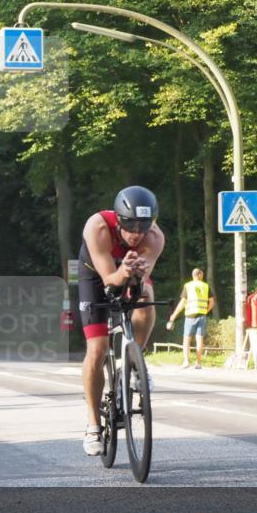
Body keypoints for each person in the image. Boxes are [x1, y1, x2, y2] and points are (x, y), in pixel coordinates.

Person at [79, 186, 165, 456]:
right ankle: (93, 424)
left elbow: (137, 284)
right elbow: (110, 281)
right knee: (98, 348)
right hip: (96, 275)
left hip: (129, 271)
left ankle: (135, 361)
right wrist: (122, 271)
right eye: (130, 226)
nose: (137, 234)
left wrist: (135, 275)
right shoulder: (98, 227)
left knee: (146, 294)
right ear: (119, 220)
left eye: (143, 226)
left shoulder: (155, 237)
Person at [166, 268, 215, 369]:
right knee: (199, 340)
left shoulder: (188, 286)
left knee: (186, 340)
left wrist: (174, 315)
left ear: (193, 276)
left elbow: (182, 303)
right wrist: (205, 311)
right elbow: (212, 302)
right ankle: (198, 363)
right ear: (201, 275)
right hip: (202, 316)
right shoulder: (206, 286)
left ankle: (186, 362)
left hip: (190, 316)